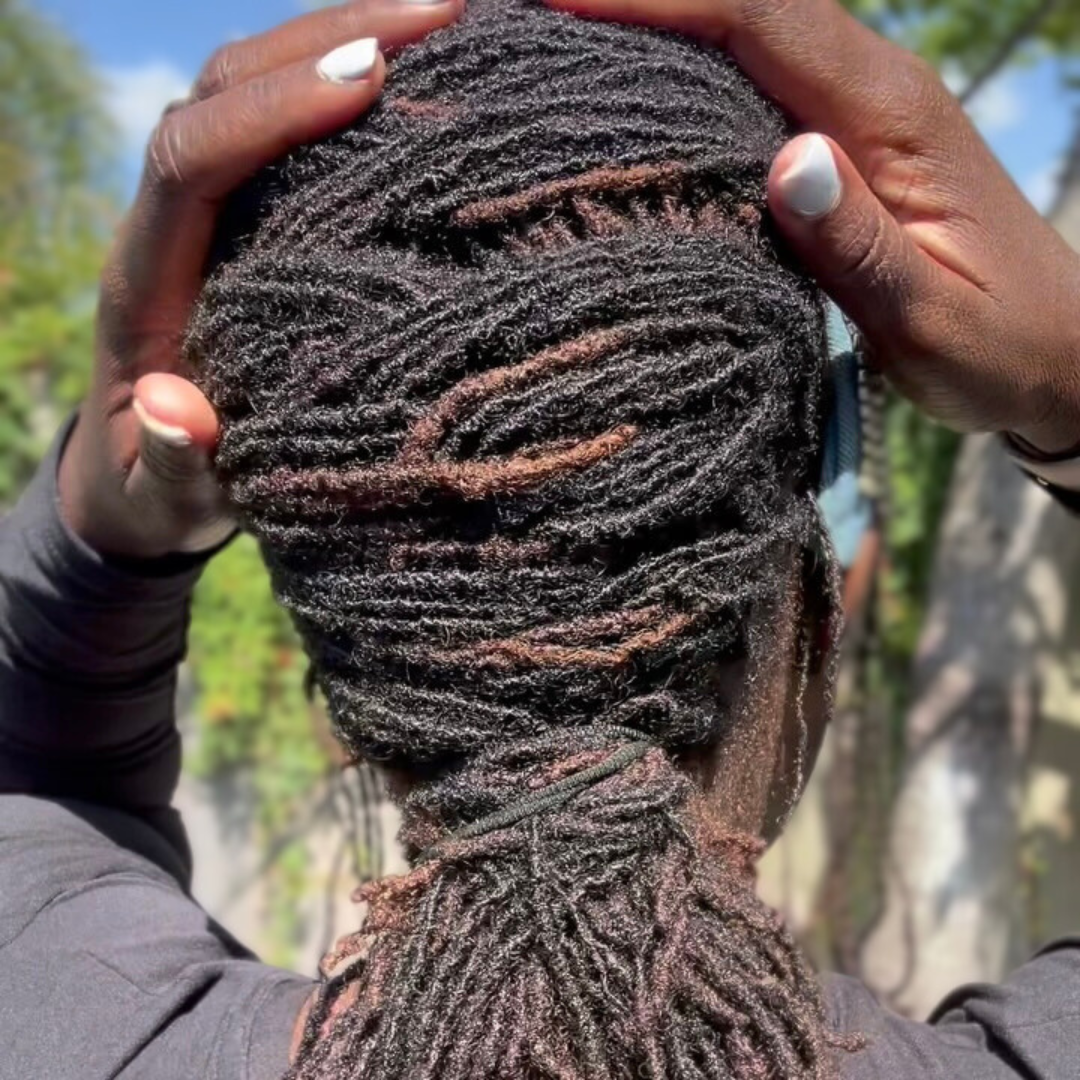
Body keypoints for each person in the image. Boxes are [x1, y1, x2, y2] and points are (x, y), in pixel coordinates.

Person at [2, 3, 1080, 1080]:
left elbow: (40, 794)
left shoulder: (72, 1026)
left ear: (340, 598)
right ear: (800, 574)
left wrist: (102, 550)